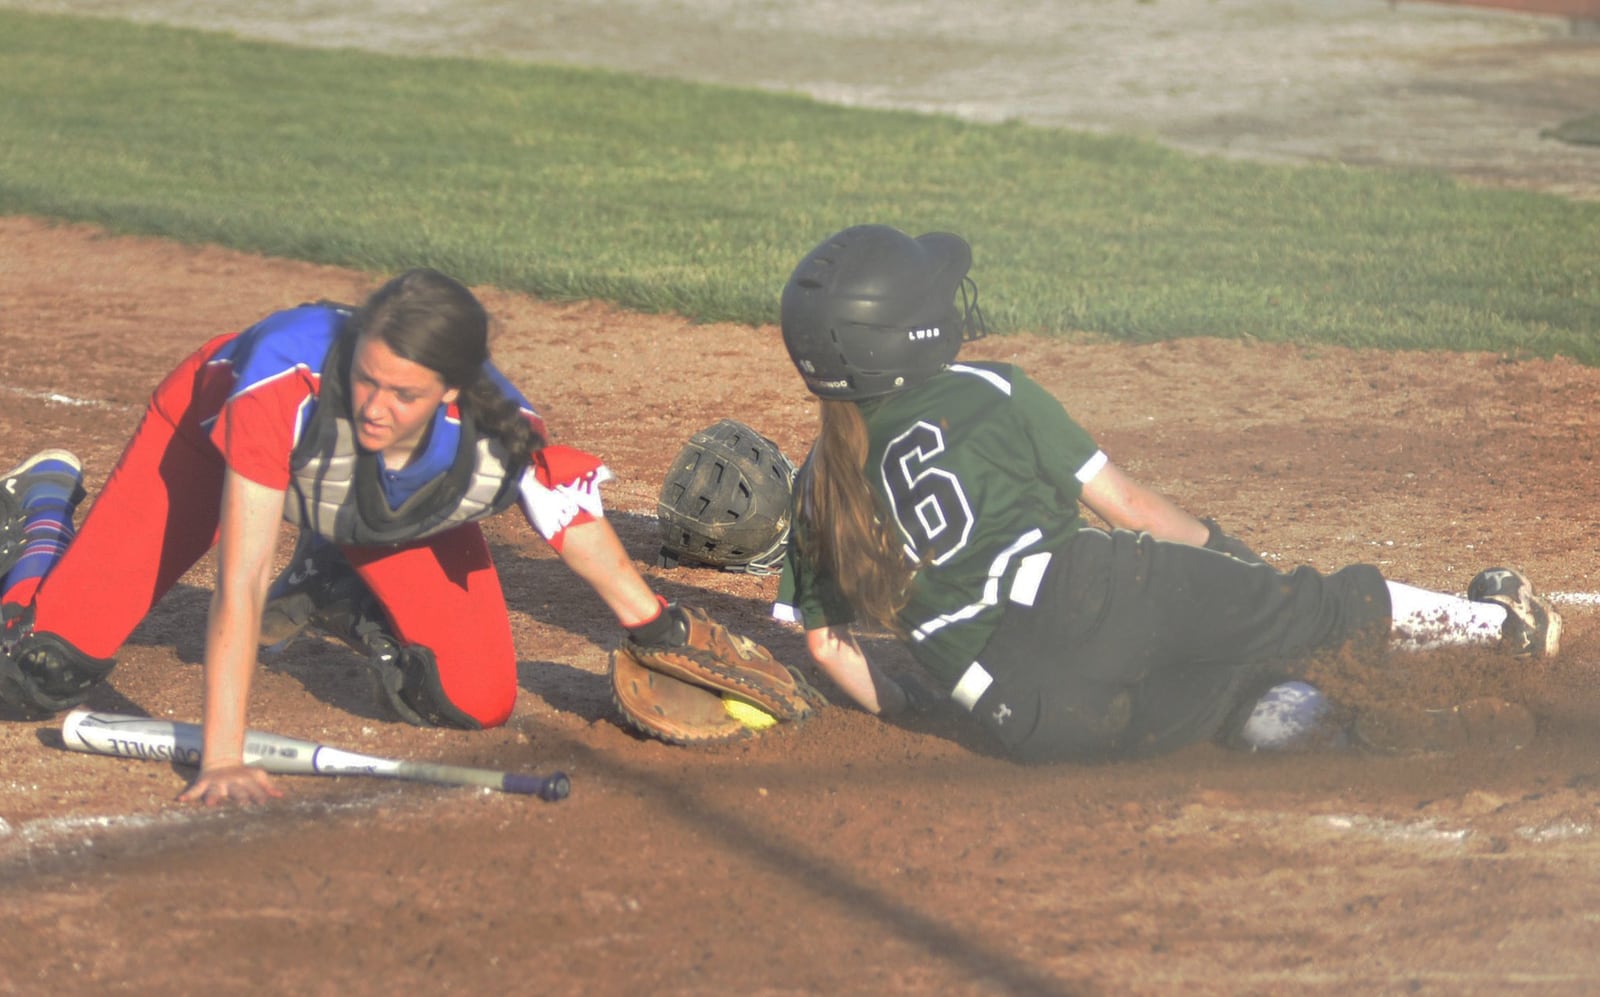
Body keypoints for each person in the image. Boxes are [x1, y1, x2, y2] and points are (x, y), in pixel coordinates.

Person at [770, 224, 1561, 762]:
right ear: (901, 333)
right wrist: (1229, 560)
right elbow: (1131, 508)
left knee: (1224, 700)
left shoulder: (813, 486)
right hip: (1097, 598)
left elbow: (825, 644)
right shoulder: (985, 389)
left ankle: (1369, 739)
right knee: (1307, 606)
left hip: (1031, 716)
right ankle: (1505, 627)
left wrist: (909, 703)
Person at [0, 268, 713, 804]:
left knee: (470, 699)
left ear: (452, 393)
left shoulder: (497, 429)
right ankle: (40, 511)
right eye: (367, 379)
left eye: (404, 395)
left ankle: (335, 577)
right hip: (200, 438)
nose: (374, 407)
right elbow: (241, 580)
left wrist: (656, 628)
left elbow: (572, 524)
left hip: (371, 500)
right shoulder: (280, 384)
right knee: (37, 672)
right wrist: (221, 754)